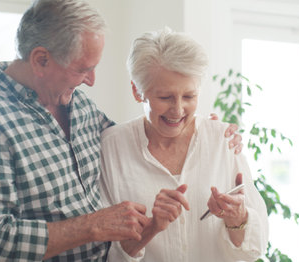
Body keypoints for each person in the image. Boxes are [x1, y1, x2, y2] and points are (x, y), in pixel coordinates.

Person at [0, 1, 242, 261]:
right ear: (41, 60)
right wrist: (92, 225)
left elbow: (135, 140)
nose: (92, 80)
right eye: (82, 69)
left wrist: (202, 130)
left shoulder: (79, 106)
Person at [99, 27, 269, 262]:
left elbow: (255, 248)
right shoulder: (112, 148)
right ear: (137, 91)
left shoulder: (224, 141)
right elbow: (102, 253)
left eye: (189, 97)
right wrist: (150, 229)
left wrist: (237, 220)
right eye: (165, 97)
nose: (178, 110)